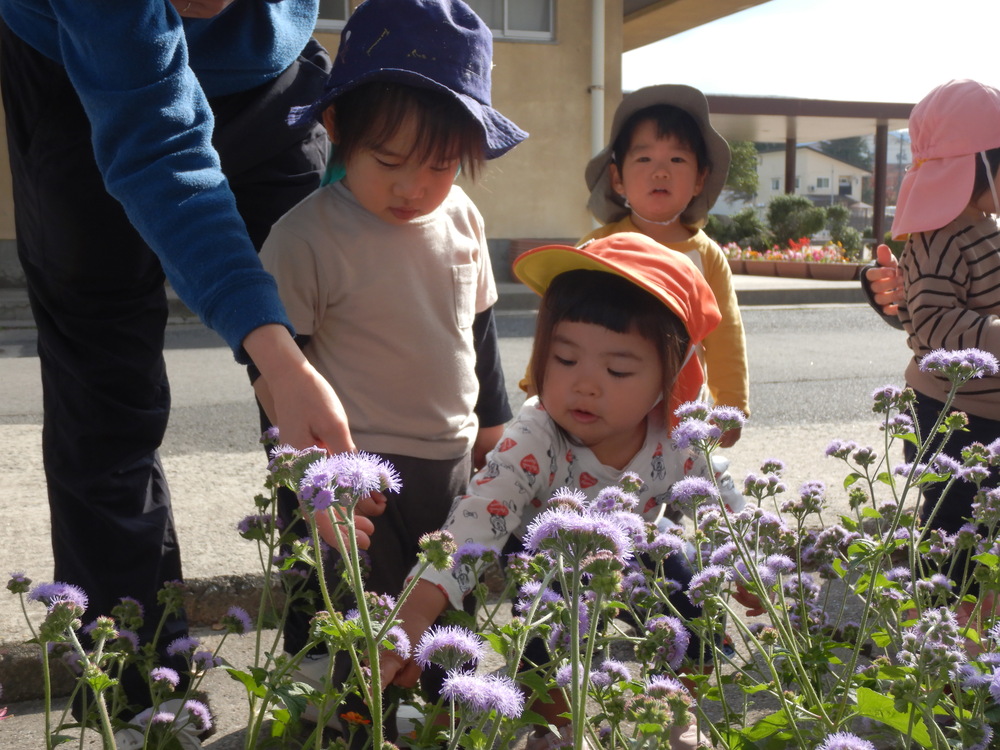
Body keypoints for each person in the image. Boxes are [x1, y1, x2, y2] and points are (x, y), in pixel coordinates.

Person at [0, 0, 380, 718]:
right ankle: (135, 693)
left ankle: (337, 661)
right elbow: (160, 148)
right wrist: (274, 354)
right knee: (101, 382)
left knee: (329, 344)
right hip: (75, 64)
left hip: (271, 70)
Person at [249, 0, 527, 736]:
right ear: (337, 129)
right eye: (390, 163)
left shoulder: (462, 217)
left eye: (439, 165)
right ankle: (344, 723)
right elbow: (278, 372)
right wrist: (309, 482)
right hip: (353, 476)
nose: (413, 188)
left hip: (449, 465)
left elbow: (481, 329)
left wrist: (493, 431)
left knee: (443, 621)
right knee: (353, 631)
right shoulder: (306, 235)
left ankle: (440, 722)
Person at [384, 232, 745, 750]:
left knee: (690, 588)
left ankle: (675, 707)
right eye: (565, 359)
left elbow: (724, 501)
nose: (585, 385)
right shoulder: (537, 434)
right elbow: (477, 520)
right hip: (542, 550)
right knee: (547, 610)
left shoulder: (676, 439)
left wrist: (745, 567)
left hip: (636, 546)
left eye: (618, 368)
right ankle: (552, 722)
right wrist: (414, 614)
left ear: (671, 379)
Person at [579, 84, 749, 447]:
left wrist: (731, 404)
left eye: (677, 160)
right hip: (600, 407)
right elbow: (558, 321)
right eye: (644, 159)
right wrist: (539, 382)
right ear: (617, 178)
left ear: (700, 177)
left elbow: (725, 336)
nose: (660, 172)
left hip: (681, 412)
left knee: (685, 493)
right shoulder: (598, 248)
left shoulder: (706, 256)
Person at [884, 79, 1000, 554]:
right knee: (956, 537)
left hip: (985, 409)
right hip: (952, 416)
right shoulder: (938, 238)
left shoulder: (985, 226)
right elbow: (934, 326)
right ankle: (945, 618)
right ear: (980, 169)